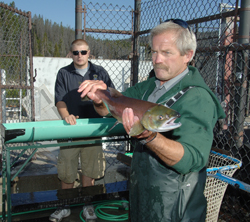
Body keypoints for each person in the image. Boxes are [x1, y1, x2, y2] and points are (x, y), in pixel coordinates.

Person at [78, 19, 226, 222]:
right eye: (154, 52)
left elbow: (191, 159)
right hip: (143, 199)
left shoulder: (197, 98)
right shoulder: (148, 87)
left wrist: (148, 135)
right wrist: (99, 98)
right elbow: (110, 108)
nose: (156, 59)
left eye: (166, 52)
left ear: (188, 55)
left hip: (175, 209)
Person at [49, 39, 115, 222]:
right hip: (70, 130)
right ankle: (64, 206)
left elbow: (111, 96)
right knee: (66, 170)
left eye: (83, 52)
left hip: (94, 129)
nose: (79, 56)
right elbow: (60, 100)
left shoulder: (99, 73)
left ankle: (88, 205)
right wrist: (66, 116)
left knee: (90, 169)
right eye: (76, 52)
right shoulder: (63, 73)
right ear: (70, 53)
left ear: (89, 53)